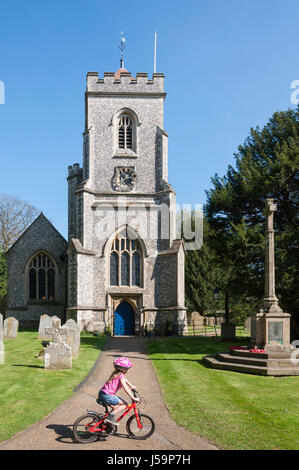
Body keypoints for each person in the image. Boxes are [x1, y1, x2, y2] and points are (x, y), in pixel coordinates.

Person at [98, 356, 140, 426]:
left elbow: (125, 380)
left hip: (103, 394)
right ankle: (110, 417)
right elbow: (125, 388)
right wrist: (133, 398)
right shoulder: (121, 376)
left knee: (116, 408)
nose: (128, 370)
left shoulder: (118, 374)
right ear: (123, 369)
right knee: (125, 404)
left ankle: (107, 424)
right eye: (127, 369)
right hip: (107, 396)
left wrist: (131, 386)